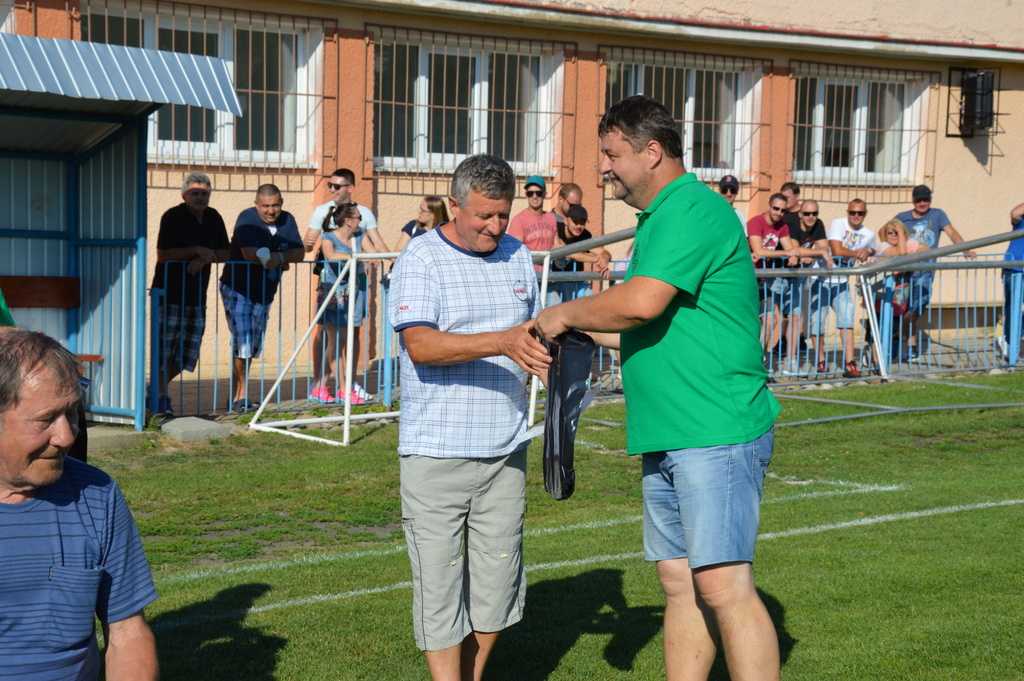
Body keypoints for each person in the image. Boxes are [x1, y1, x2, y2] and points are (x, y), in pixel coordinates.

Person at [535, 95, 781, 681]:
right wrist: (568, 334)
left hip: (714, 427)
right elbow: (646, 326)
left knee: (723, 585)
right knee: (679, 583)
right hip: (671, 430)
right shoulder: (661, 218)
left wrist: (564, 314)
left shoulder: (691, 209)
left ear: (651, 152)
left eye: (611, 154)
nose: (603, 167)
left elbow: (641, 302)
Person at [389, 154, 551, 681]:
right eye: (484, 215)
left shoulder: (518, 255)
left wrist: (557, 360)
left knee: (497, 583)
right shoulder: (421, 256)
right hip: (436, 452)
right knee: (439, 585)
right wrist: (501, 342)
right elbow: (420, 345)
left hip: (506, 449)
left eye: (503, 214)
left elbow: (533, 333)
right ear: (453, 205)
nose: (496, 226)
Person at [0, 329, 158, 681]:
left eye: (72, 412)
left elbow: (128, 633)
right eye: (46, 419)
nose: (67, 436)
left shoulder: (98, 494)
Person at [304, 169, 388, 402]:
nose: (332, 189)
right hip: (333, 287)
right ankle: (328, 385)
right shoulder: (327, 228)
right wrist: (355, 256)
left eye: (337, 186)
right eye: (330, 185)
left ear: (350, 188)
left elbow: (375, 247)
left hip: (354, 287)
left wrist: (393, 259)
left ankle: (342, 385)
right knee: (331, 337)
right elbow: (323, 251)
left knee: (347, 336)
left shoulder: (360, 228)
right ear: (348, 220)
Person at [151, 172, 230, 417]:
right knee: (164, 350)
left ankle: (154, 390)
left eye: (204, 193)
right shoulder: (172, 216)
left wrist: (204, 257)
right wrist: (196, 250)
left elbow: (225, 252)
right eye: (195, 193)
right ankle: (160, 397)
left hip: (196, 296)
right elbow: (163, 254)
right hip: (169, 294)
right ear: (184, 195)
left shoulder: (213, 217)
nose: (200, 197)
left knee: (188, 353)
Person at [219, 185, 305, 411]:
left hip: (265, 292)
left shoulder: (288, 220)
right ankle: (241, 398)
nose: (271, 211)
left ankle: (235, 398)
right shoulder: (247, 219)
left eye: (275, 205)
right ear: (256, 204)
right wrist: (278, 259)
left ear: (281, 203)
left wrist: (280, 257)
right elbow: (249, 253)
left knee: (251, 346)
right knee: (244, 342)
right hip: (238, 288)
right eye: (265, 206)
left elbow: (299, 252)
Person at [894, 184, 975, 362]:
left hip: (925, 270)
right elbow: (888, 234)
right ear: (913, 201)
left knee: (916, 308)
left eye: (926, 200)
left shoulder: (938, 214)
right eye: (919, 200)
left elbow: (951, 232)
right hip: (904, 270)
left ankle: (903, 338)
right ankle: (908, 345)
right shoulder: (902, 217)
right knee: (901, 308)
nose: (923, 203)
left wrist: (965, 249)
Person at [309, 203, 370, 405]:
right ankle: (343, 389)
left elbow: (373, 251)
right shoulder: (328, 236)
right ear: (348, 220)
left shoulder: (359, 235)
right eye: (359, 217)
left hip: (352, 293)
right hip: (333, 294)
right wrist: (355, 257)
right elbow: (331, 255)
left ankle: (320, 388)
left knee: (339, 343)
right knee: (336, 342)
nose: (361, 220)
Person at [810, 199, 876, 378]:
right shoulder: (838, 224)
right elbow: (837, 250)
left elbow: (873, 249)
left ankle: (849, 363)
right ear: (848, 212)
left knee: (847, 321)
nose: (856, 216)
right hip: (821, 278)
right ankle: (820, 361)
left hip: (842, 281)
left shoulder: (869, 234)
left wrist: (869, 251)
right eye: (852, 212)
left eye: (860, 213)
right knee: (817, 321)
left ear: (865, 214)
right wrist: (860, 253)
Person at [747, 194, 800, 373]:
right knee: (748, 322)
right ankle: (749, 360)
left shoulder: (782, 225)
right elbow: (759, 250)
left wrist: (793, 255)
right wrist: (787, 253)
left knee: (771, 320)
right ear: (769, 206)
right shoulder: (756, 222)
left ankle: (759, 360)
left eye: (783, 210)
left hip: (764, 280)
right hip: (748, 278)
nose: (778, 213)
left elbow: (790, 248)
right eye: (776, 208)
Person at [780, 199, 834, 375]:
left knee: (796, 317)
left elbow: (825, 247)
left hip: (796, 275)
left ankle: (790, 362)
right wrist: (819, 252)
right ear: (800, 214)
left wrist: (814, 254)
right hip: (778, 273)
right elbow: (796, 249)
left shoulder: (818, 224)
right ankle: (760, 361)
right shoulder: (792, 224)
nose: (811, 217)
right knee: (770, 320)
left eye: (814, 213)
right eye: (807, 213)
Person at [866, 219, 928, 366]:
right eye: (890, 233)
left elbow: (927, 250)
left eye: (896, 233)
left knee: (892, 327)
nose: (893, 235)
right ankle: (875, 360)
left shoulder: (906, 243)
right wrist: (899, 230)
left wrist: (911, 252)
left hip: (898, 296)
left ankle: (880, 356)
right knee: (878, 326)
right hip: (881, 294)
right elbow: (900, 253)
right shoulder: (883, 246)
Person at [548, 204, 611, 306]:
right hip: (554, 284)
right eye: (575, 222)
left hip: (576, 284)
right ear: (566, 221)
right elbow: (567, 251)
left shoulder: (585, 234)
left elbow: (603, 252)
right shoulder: (557, 229)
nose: (579, 226)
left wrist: (604, 258)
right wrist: (595, 259)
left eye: (582, 223)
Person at [507, 174, 558, 272]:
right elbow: (516, 251)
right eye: (530, 193)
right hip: (527, 274)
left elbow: (557, 245)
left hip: (547, 276)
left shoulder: (551, 218)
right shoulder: (519, 220)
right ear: (526, 195)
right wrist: (546, 254)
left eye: (538, 193)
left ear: (545, 194)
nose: (534, 196)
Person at [997, 202, 1024, 361]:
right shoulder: (1021, 218)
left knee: (1014, 310)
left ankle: (1010, 340)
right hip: (1014, 269)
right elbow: (1015, 213)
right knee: (1013, 309)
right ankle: (1009, 344)